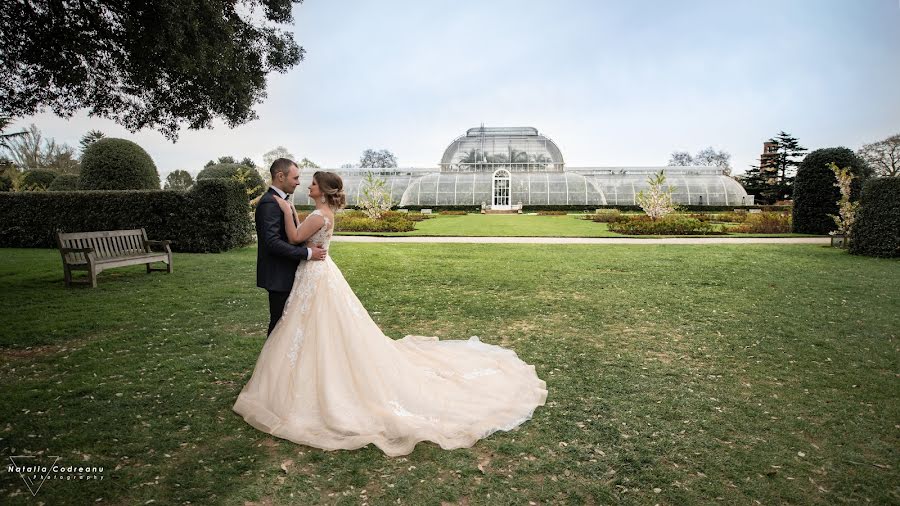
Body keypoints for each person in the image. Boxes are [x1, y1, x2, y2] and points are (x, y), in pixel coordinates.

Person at [233, 170, 548, 457]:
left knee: (313, 325)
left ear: (323, 190)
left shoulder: (316, 215)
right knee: (316, 326)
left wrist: (289, 213)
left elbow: (294, 238)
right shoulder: (323, 213)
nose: (306, 185)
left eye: (312, 182)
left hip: (314, 274)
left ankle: (299, 378)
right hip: (318, 273)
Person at [255, 158, 327, 337]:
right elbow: (272, 243)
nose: (299, 182)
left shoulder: (282, 201)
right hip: (279, 275)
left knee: (289, 326)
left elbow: (292, 235)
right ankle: (271, 364)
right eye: (295, 178)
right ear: (280, 176)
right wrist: (308, 253)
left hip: (289, 272)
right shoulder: (269, 203)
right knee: (279, 326)